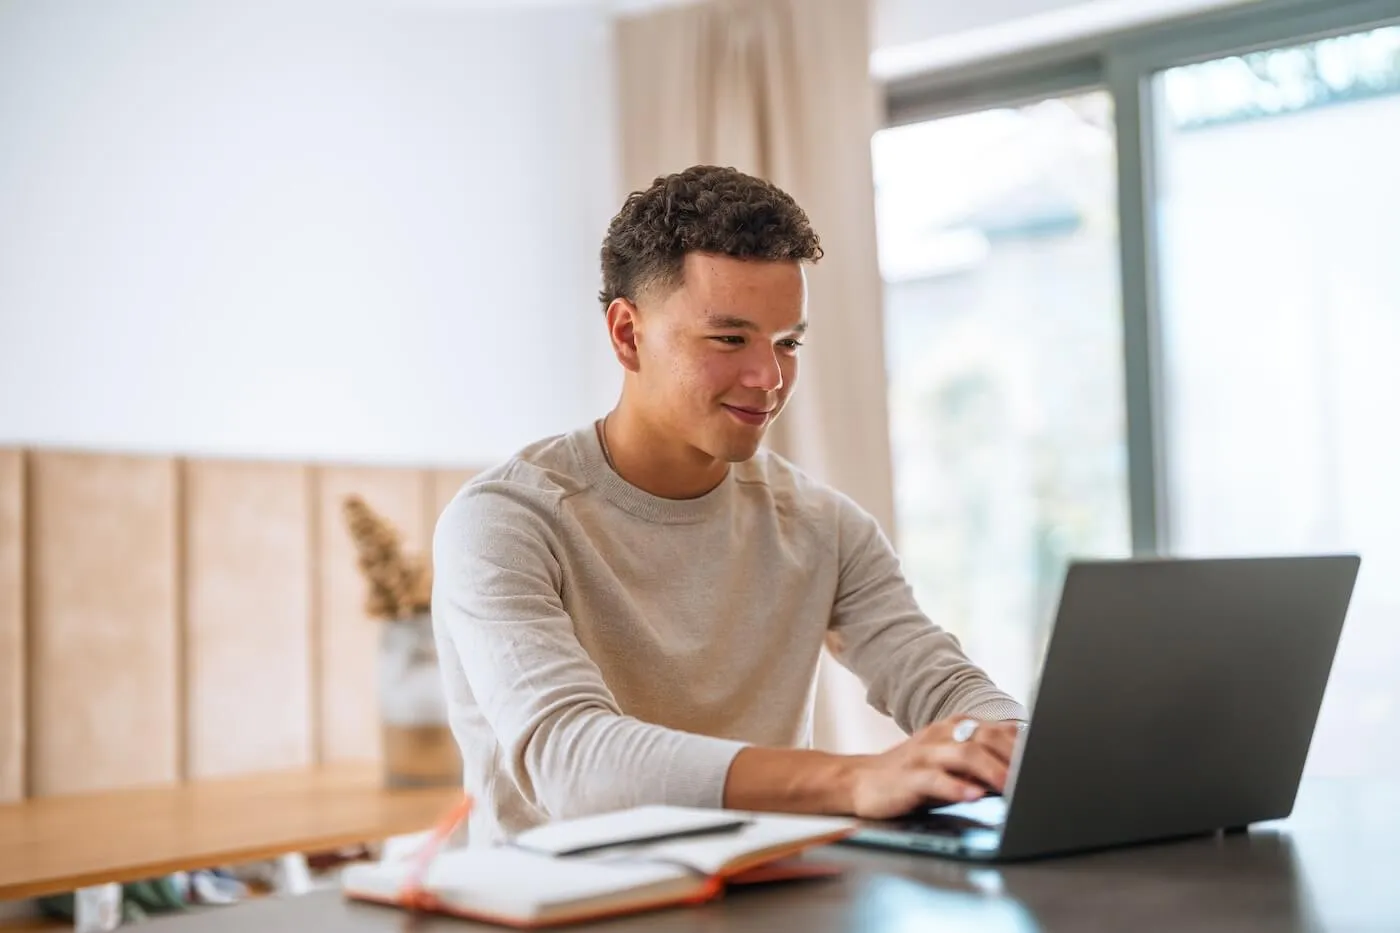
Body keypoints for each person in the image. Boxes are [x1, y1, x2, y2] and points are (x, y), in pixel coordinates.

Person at [431, 164, 1028, 846]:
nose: (769, 378)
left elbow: (942, 681)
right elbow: (574, 764)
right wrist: (854, 778)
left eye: (787, 342)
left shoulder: (824, 527)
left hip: (765, 902)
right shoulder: (504, 521)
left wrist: (1017, 748)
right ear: (628, 334)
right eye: (729, 339)